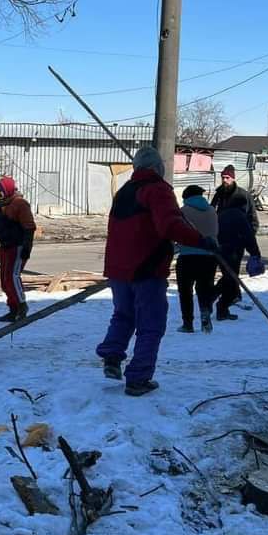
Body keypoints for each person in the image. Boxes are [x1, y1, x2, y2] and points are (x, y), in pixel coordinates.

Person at [95, 147, 213, 397]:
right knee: (151, 324)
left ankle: (112, 358)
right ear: (157, 167)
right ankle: (138, 378)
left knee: (123, 315)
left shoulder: (125, 191)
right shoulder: (157, 190)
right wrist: (201, 241)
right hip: (146, 268)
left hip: (118, 268)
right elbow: (169, 226)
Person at [0, 176, 36, 322]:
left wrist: (27, 247)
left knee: (13, 277)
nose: (0, 193)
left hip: (18, 246)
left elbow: (29, 227)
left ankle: (22, 306)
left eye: (1, 190)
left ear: (8, 189)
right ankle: (12, 308)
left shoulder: (20, 204)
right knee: (5, 279)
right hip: (5, 245)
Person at [175, 185, 219, 334]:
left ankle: (188, 323)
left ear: (186, 198)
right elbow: (216, 232)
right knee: (204, 289)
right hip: (209, 256)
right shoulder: (212, 211)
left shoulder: (183, 212)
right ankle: (205, 311)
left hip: (187, 256)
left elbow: (178, 232)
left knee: (185, 291)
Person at [215, 199, 264, 321]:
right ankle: (218, 305)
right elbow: (248, 236)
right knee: (231, 280)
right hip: (233, 251)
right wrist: (255, 253)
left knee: (228, 278)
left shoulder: (221, 214)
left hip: (219, 250)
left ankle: (217, 303)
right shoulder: (240, 216)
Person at [210, 165, 259, 232]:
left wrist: (249, 236)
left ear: (233, 179)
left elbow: (253, 218)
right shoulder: (218, 194)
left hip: (239, 234)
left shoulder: (244, 195)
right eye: (223, 177)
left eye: (227, 178)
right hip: (222, 234)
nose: (224, 180)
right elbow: (212, 212)